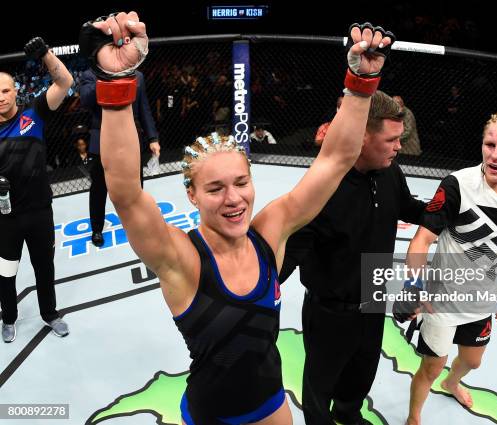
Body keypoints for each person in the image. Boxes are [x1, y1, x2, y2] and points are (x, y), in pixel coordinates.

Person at [80, 13, 393, 424]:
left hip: (272, 404)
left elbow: (336, 159)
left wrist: (360, 87)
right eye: (215, 189)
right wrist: (117, 80)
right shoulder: (181, 259)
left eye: (241, 182)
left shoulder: (271, 232)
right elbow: (124, 191)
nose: (234, 199)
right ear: (191, 196)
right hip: (212, 415)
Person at [279, 90, 425, 425]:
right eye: (391, 140)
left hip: (372, 301)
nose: (399, 147)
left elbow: (409, 208)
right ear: (362, 136)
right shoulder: (323, 187)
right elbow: (290, 254)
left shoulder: (390, 173)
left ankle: (348, 413)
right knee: (319, 387)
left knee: (362, 373)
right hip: (329, 310)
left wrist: (448, 211)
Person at [393, 111, 497, 425]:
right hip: (442, 300)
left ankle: (452, 382)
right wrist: (412, 287)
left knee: (472, 362)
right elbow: (421, 240)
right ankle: (413, 418)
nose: (495, 155)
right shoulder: (458, 184)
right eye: (490, 145)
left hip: (482, 300)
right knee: (430, 367)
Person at [0, 37, 73, 343]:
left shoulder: (34, 114)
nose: (1, 97)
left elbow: (65, 81)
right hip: (5, 217)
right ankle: (9, 318)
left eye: (4, 90)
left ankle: (50, 314)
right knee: (6, 274)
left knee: (45, 266)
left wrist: (45, 55)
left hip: (40, 211)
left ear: (15, 89)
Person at [79, 67, 161, 247]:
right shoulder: (90, 75)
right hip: (102, 137)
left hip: (130, 136)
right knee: (99, 186)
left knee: (135, 184)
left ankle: (137, 224)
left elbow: (143, 108)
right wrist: (107, 78)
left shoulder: (137, 75)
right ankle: (97, 229)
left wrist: (152, 137)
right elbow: (86, 100)